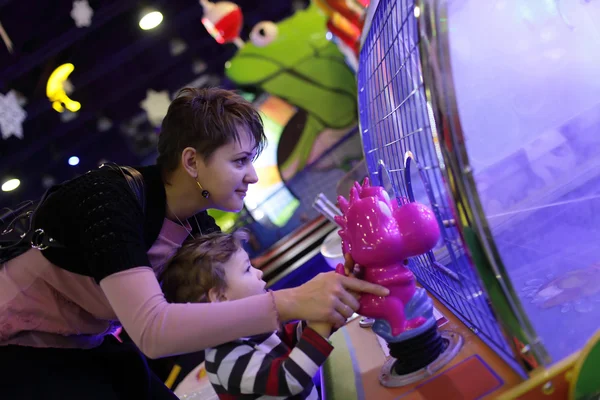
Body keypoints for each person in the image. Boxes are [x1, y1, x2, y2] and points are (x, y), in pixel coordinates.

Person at [0, 87, 388, 399]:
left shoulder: (195, 225)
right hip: (17, 347)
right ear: (191, 162)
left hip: (85, 338)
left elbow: (235, 300)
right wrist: (291, 302)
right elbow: (153, 331)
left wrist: (338, 284)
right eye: (239, 161)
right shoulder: (109, 200)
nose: (252, 175)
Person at [162, 230, 333, 400]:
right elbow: (288, 379)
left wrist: (321, 318)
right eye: (247, 269)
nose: (259, 273)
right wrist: (319, 330)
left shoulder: (247, 326)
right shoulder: (225, 359)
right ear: (221, 297)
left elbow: (285, 339)